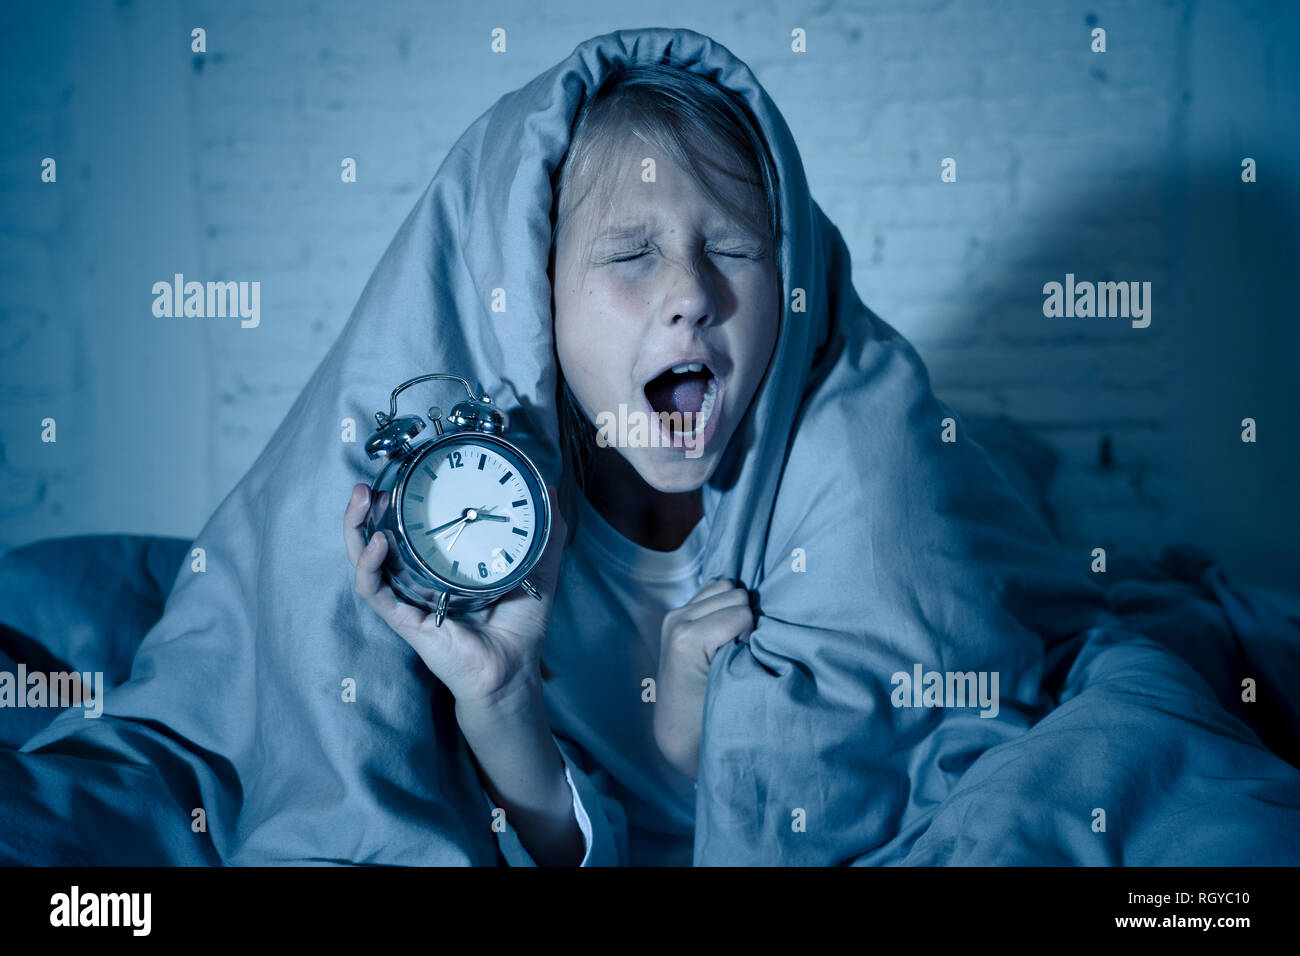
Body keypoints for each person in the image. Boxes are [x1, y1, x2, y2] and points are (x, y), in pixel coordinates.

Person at [343, 61, 778, 866]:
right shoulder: (499, 544)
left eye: (730, 245)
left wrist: (704, 744)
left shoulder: (815, 511)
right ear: (537, 302)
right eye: (630, 254)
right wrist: (500, 699)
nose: (691, 292)